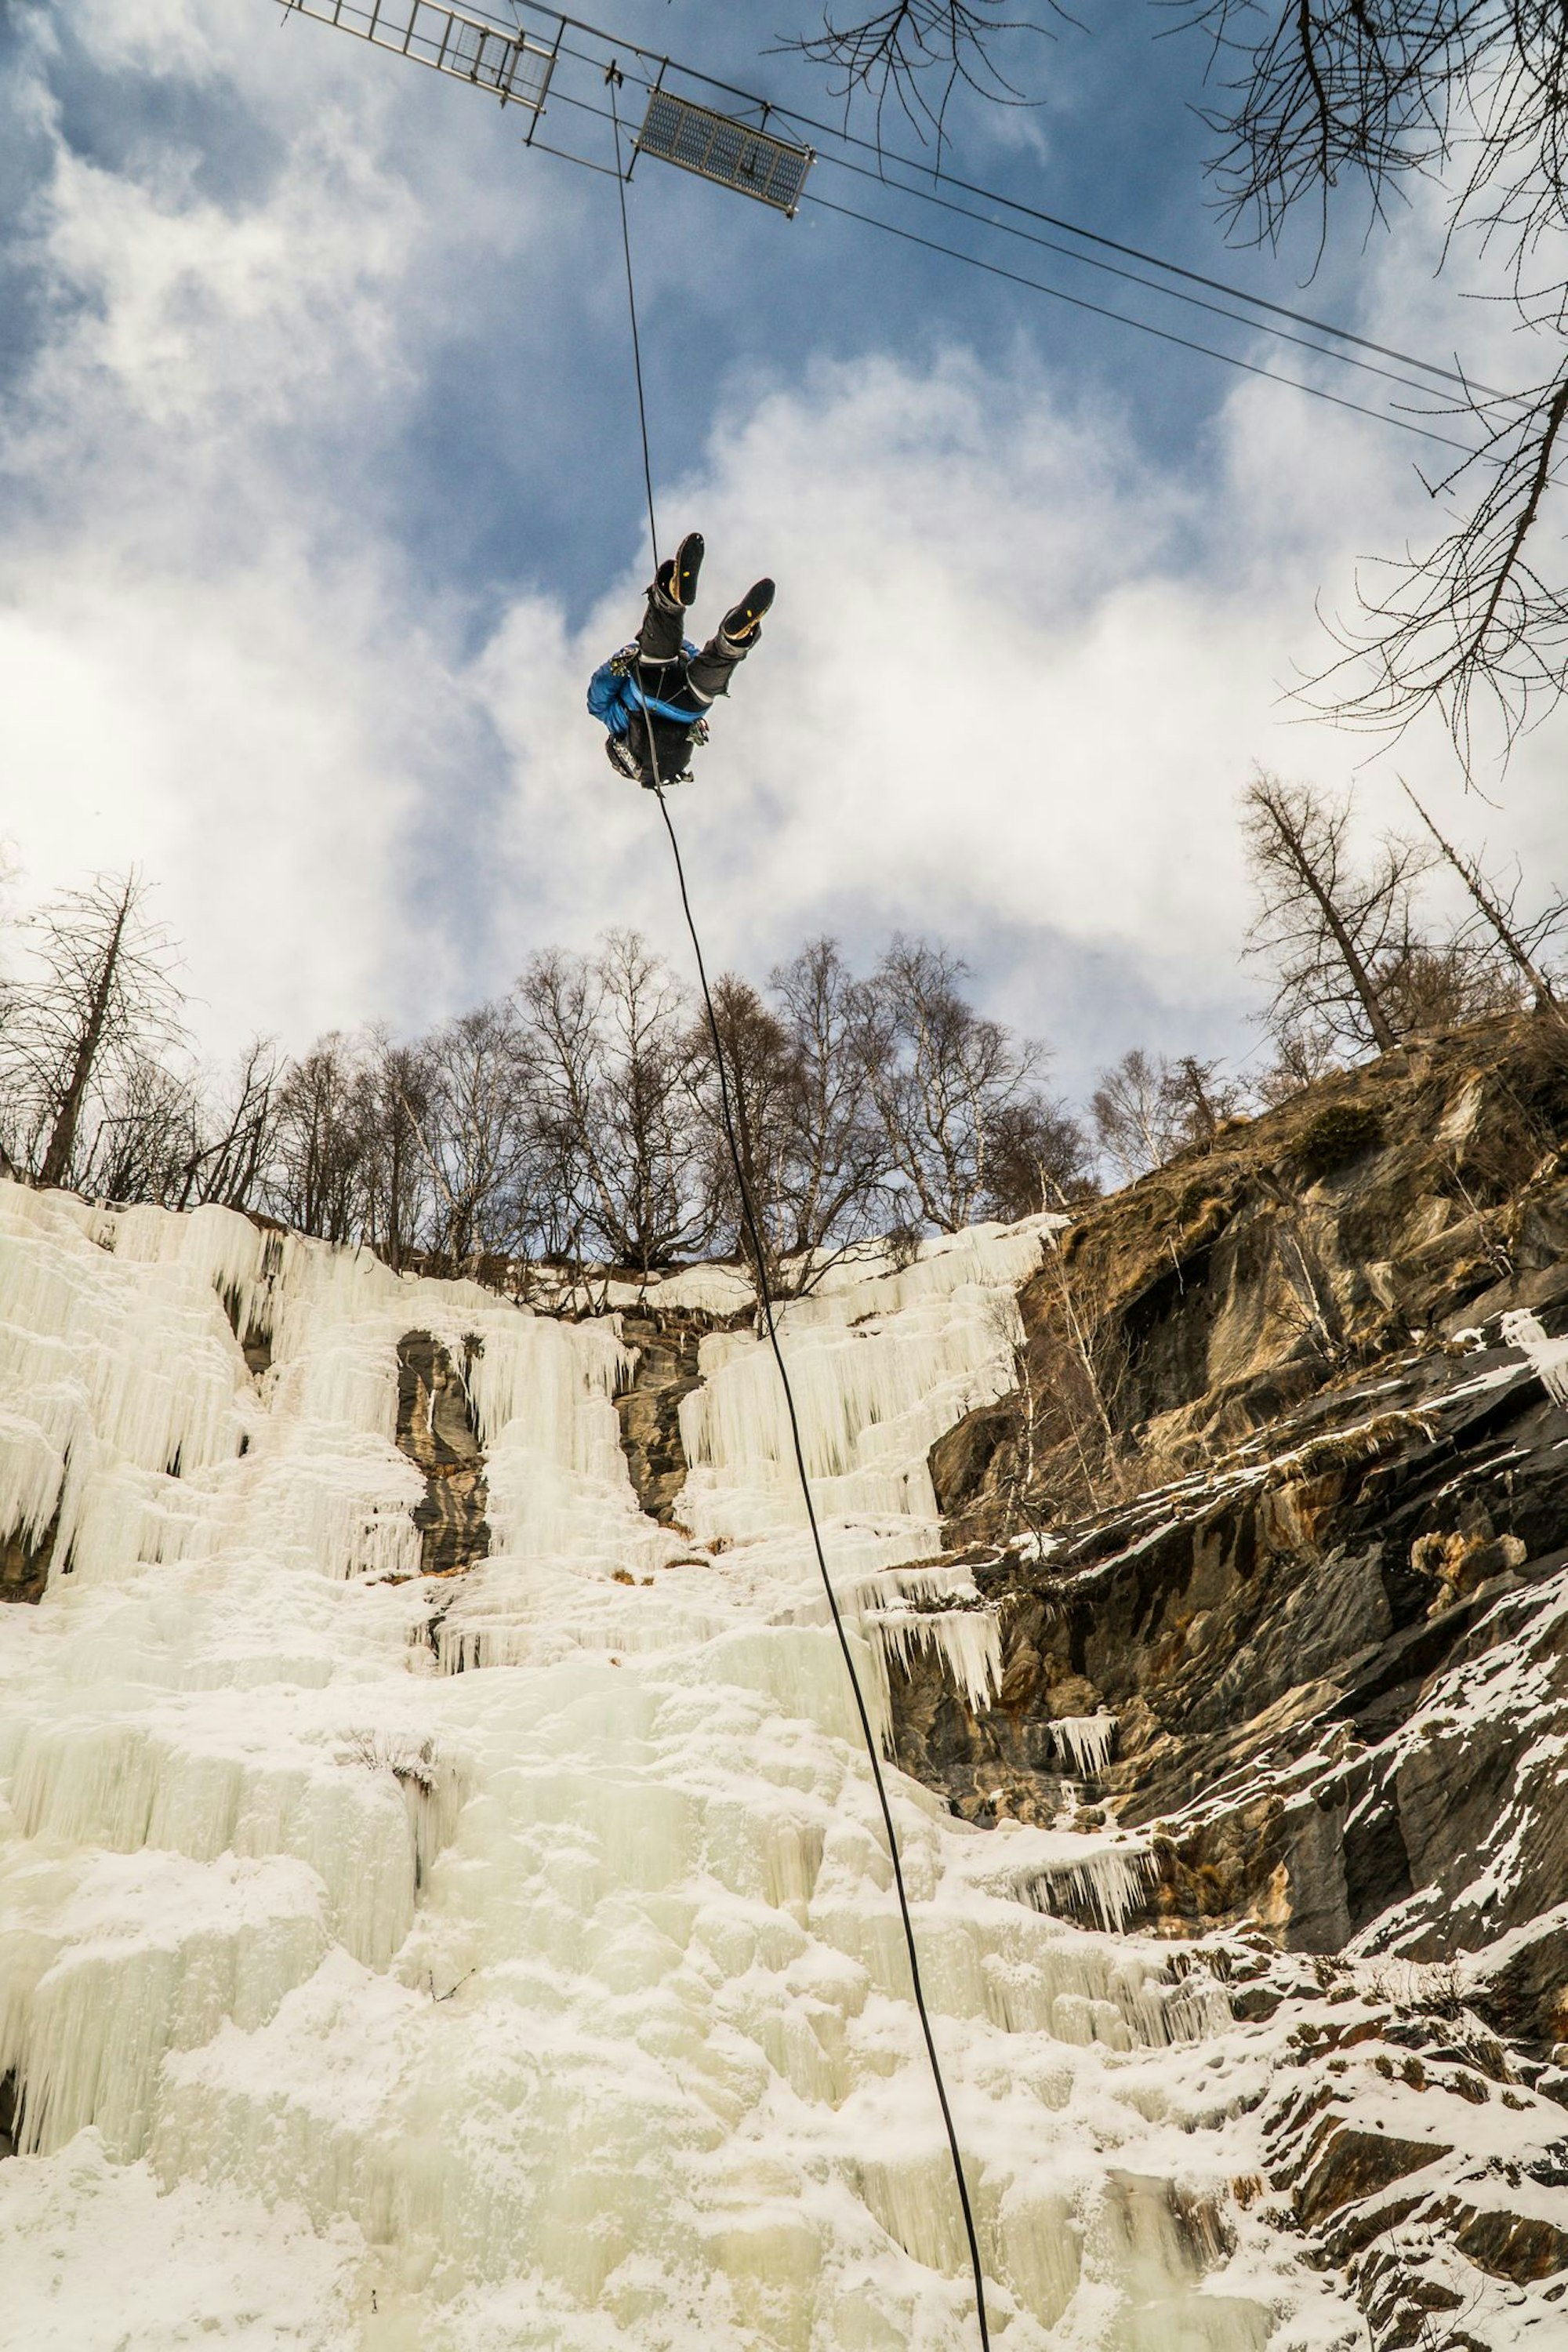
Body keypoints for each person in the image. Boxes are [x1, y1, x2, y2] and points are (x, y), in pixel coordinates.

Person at [587, 532, 774, 787]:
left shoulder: (663, 755)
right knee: (657, 649)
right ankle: (670, 597)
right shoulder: (608, 717)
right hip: (650, 690)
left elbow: (697, 661)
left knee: (715, 665)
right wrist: (621, 662)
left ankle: (733, 642)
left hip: (690, 707)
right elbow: (598, 687)